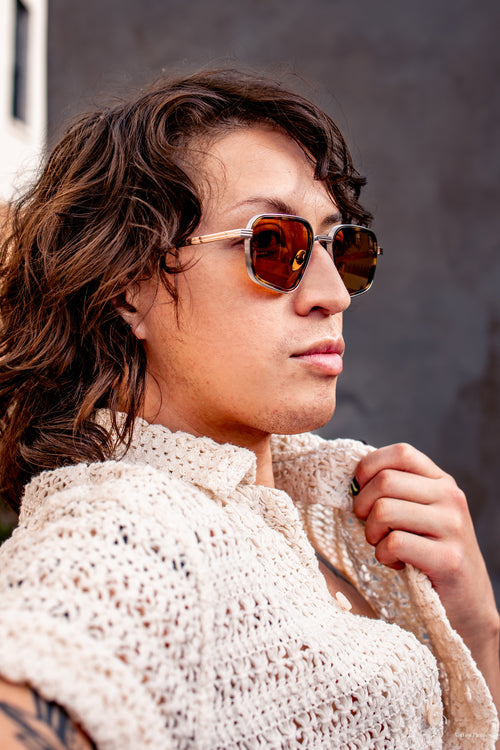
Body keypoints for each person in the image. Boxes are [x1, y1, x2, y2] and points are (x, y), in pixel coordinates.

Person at [0, 68, 498, 750]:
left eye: (341, 247)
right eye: (273, 244)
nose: (334, 293)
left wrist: (473, 628)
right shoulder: (132, 529)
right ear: (128, 287)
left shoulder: (338, 516)